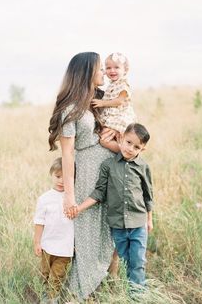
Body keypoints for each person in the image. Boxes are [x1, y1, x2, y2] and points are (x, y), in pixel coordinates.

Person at [48, 52, 116, 301]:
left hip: (109, 168)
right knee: (88, 230)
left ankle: (106, 284)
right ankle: (80, 290)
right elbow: (67, 155)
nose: (103, 74)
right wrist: (69, 194)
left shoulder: (96, 101)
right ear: (87, 72)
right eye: (99, 69)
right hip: (87, 171)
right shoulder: (70, 109)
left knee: (109, 227)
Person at [74, 123, 154, 298]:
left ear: (143, 149)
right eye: (128, 142)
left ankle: (137, 296)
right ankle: (128, 291)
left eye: (137, 147)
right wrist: (79, 207)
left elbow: (148, 195)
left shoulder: (143, 167)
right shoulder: (108, 165)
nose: (131, 149)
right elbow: (99, 192)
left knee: (138, 261)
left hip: (138, 222)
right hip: (117, 225)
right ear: (121, 138)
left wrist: (149, 219)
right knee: (125, 260)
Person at [33, 157, 74, 304]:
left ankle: (52, 299)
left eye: (65, 178)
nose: (61, 181)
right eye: (57, 176)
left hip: (65, 248)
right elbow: (39, 222)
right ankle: (43, 296)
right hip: (47, 246)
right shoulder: (44, 198)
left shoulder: (73, 198)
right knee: (44, 274)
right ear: (52, 175)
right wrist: (37, 242)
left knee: (57, 276)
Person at [91, 52, 137, 151]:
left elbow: (119, 101)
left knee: (104, 140)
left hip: (120, 118)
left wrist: (102, 103)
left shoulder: (123, 84)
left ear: (125, 70)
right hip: (112, 118)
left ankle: (126, 151)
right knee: (105, 138)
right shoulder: (112, 85)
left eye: (116, 67)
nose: (112, 70)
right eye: (108, 68)